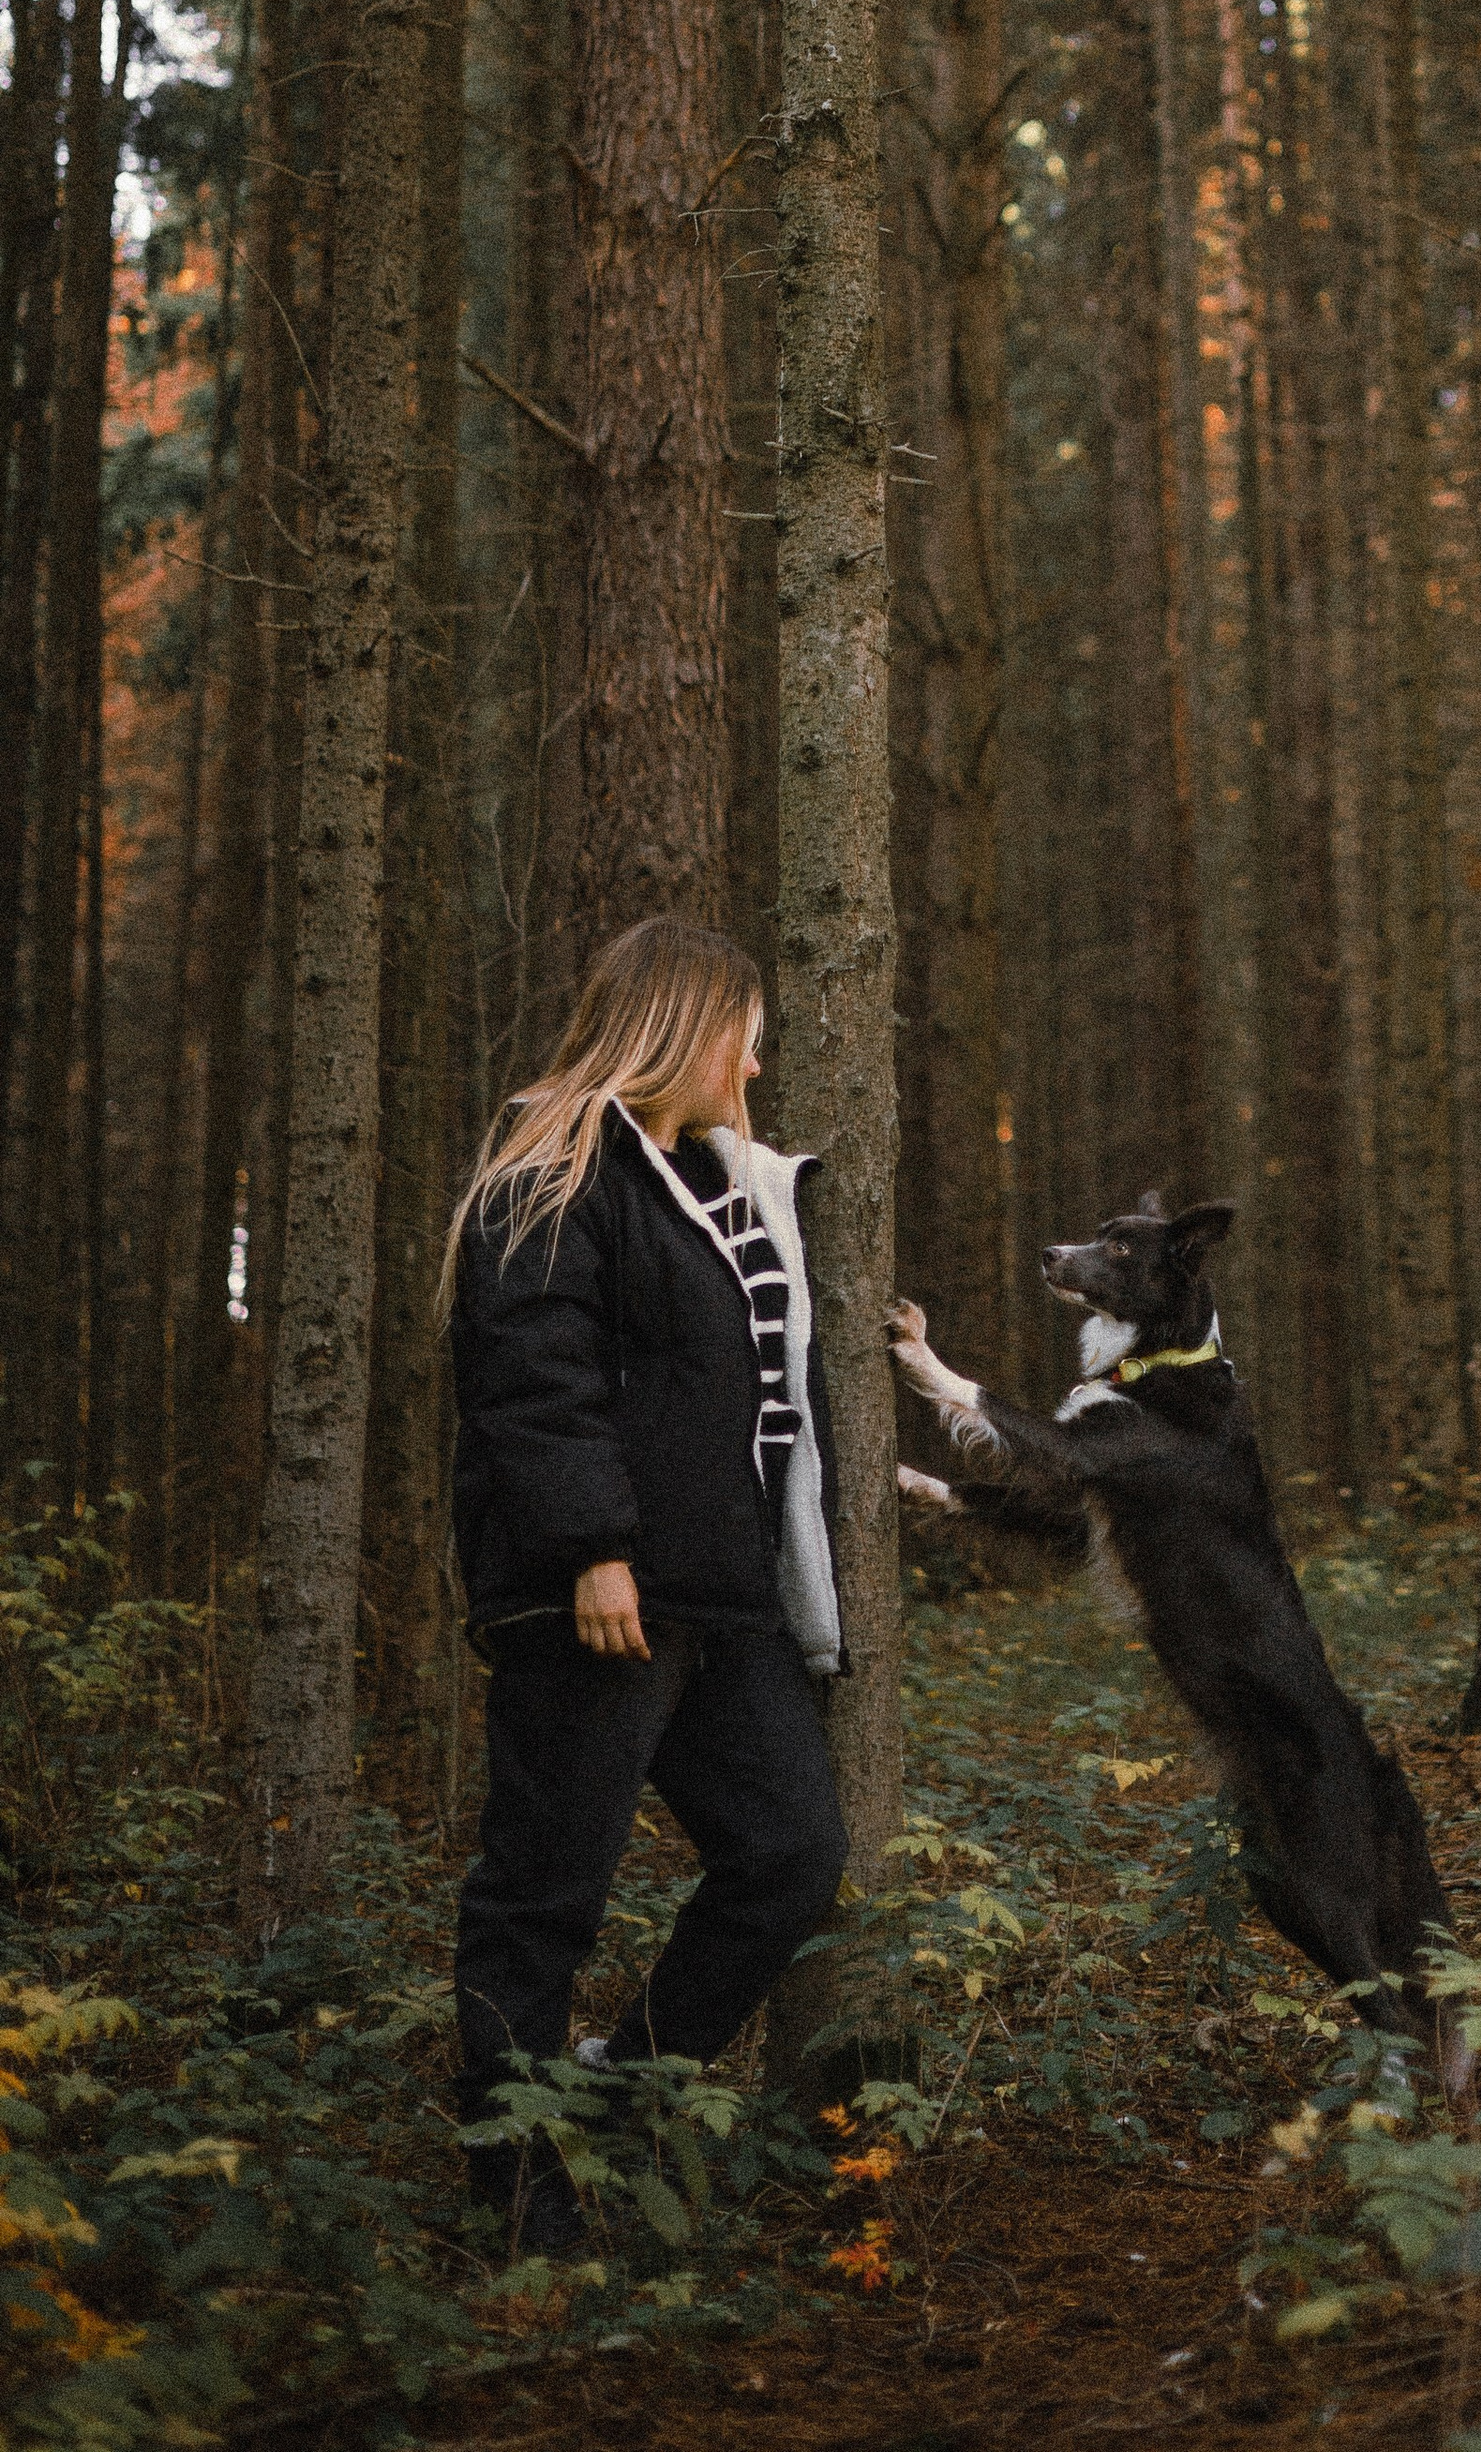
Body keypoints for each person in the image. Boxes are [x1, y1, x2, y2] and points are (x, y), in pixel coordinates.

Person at [443, 914, 848, 2255]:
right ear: (685, 1028)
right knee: (544, 1890)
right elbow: (534, 1375)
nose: (753, 1063)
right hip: (597, 1597)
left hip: (722, 1598)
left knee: (790, 1855)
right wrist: (589, 1548)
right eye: (742, 1034)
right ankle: (511, 2188)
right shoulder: (555, 1166)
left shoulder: (714, 1185)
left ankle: (615, 2101)